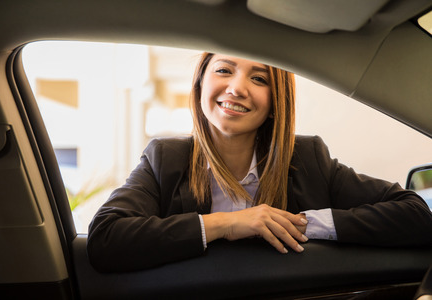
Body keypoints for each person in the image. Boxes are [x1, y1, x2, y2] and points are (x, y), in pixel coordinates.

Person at [87, 53, 432, 272]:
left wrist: (301, 224)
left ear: (275, 102)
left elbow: (416, 215)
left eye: (258, 78)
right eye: (224, 70)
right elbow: (106, 238)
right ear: (200, 83)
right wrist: (227, 224)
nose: (237, 88)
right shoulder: (165, 158)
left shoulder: (307, 157)